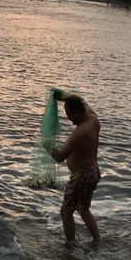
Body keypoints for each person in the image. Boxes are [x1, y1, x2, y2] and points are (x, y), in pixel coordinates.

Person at [46, 90, 102, 243]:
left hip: (82, 176)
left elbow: (59, 157)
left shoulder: (79, 133)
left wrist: (46, 145)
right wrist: (63, 96)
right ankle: (97, 240)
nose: (68, 118)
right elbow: (83, 101)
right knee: (83, 209)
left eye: (70, 114)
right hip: (93, 172)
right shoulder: (93, 117)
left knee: (66, 211)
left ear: (77, 112)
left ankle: (70, 246)